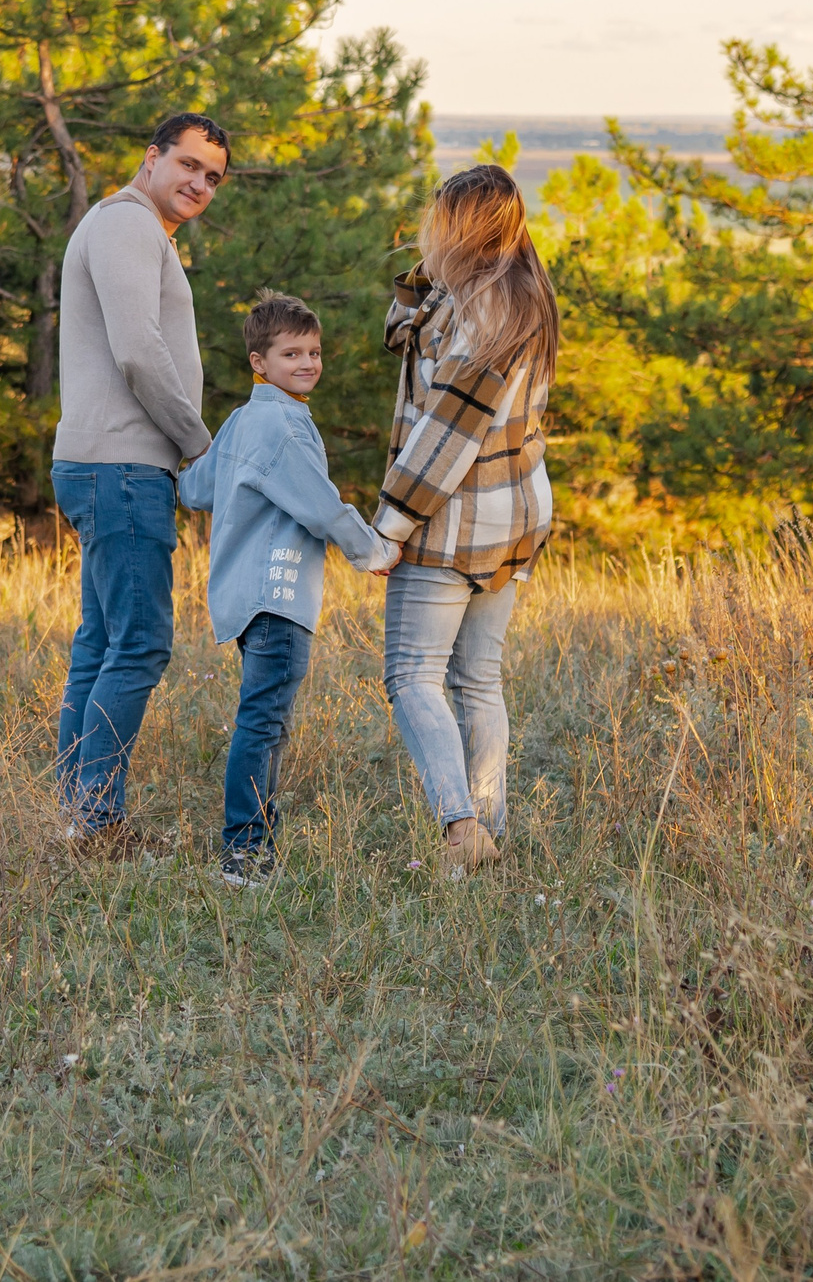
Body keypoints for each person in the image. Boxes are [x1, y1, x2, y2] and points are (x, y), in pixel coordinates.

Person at [371, 165, 559, 877]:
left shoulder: (483, 314)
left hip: (451, 520)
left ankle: (461, 827)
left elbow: (447, 429)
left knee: (412, 675)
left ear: (461, 224)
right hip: (510, 517)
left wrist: (389, 526)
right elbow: (403, 329)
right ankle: (486, 832)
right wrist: (431, 272)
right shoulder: (514, 295)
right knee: (478, 679)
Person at [50, 112, 230, 853]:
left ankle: (72, 814)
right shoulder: (127, 225)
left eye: (213, 176)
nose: (198, 183)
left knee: (101, 643)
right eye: (188, 164)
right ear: (151, 157)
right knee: (143, 644)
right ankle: (96, 822)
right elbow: (137, 351)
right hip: (122, 466)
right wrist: (198, 445)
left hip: (106, 464)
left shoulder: (132, 228)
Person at [178, 293, 398, 887]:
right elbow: (322, 507)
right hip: (277, 594)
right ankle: (244, 851)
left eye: (315, 351)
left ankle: (257, 840)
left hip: (248, 594)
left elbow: (196, 489)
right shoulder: (280, 425)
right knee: (263, 722)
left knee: (267, 719)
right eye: (291, 353)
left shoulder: (246, 419)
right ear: (259, 362)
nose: (307, 362)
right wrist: (373, 551)